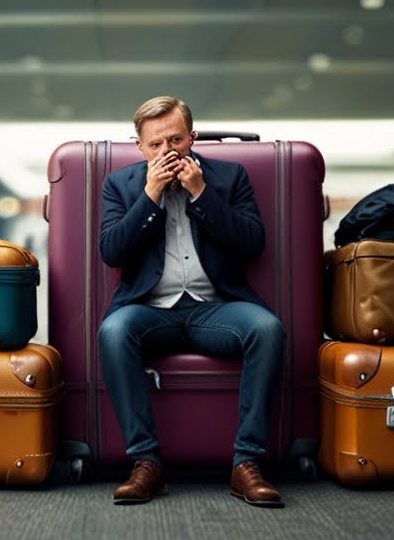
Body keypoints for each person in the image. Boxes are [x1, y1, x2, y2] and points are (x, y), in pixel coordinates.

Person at [97, 96, 286, 508]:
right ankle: (146, 463)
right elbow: (112, 252)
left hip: (214, 309)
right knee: (113, 331)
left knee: (268, 329)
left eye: (176, 140)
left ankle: (246, 464)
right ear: (140, 148)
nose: (168, 151)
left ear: (193, 138)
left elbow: (252, 244)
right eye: (156, 145)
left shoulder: (229, 177)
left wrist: (201, 193)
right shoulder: (120, 185)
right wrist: (150, 196)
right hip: (150, 311)